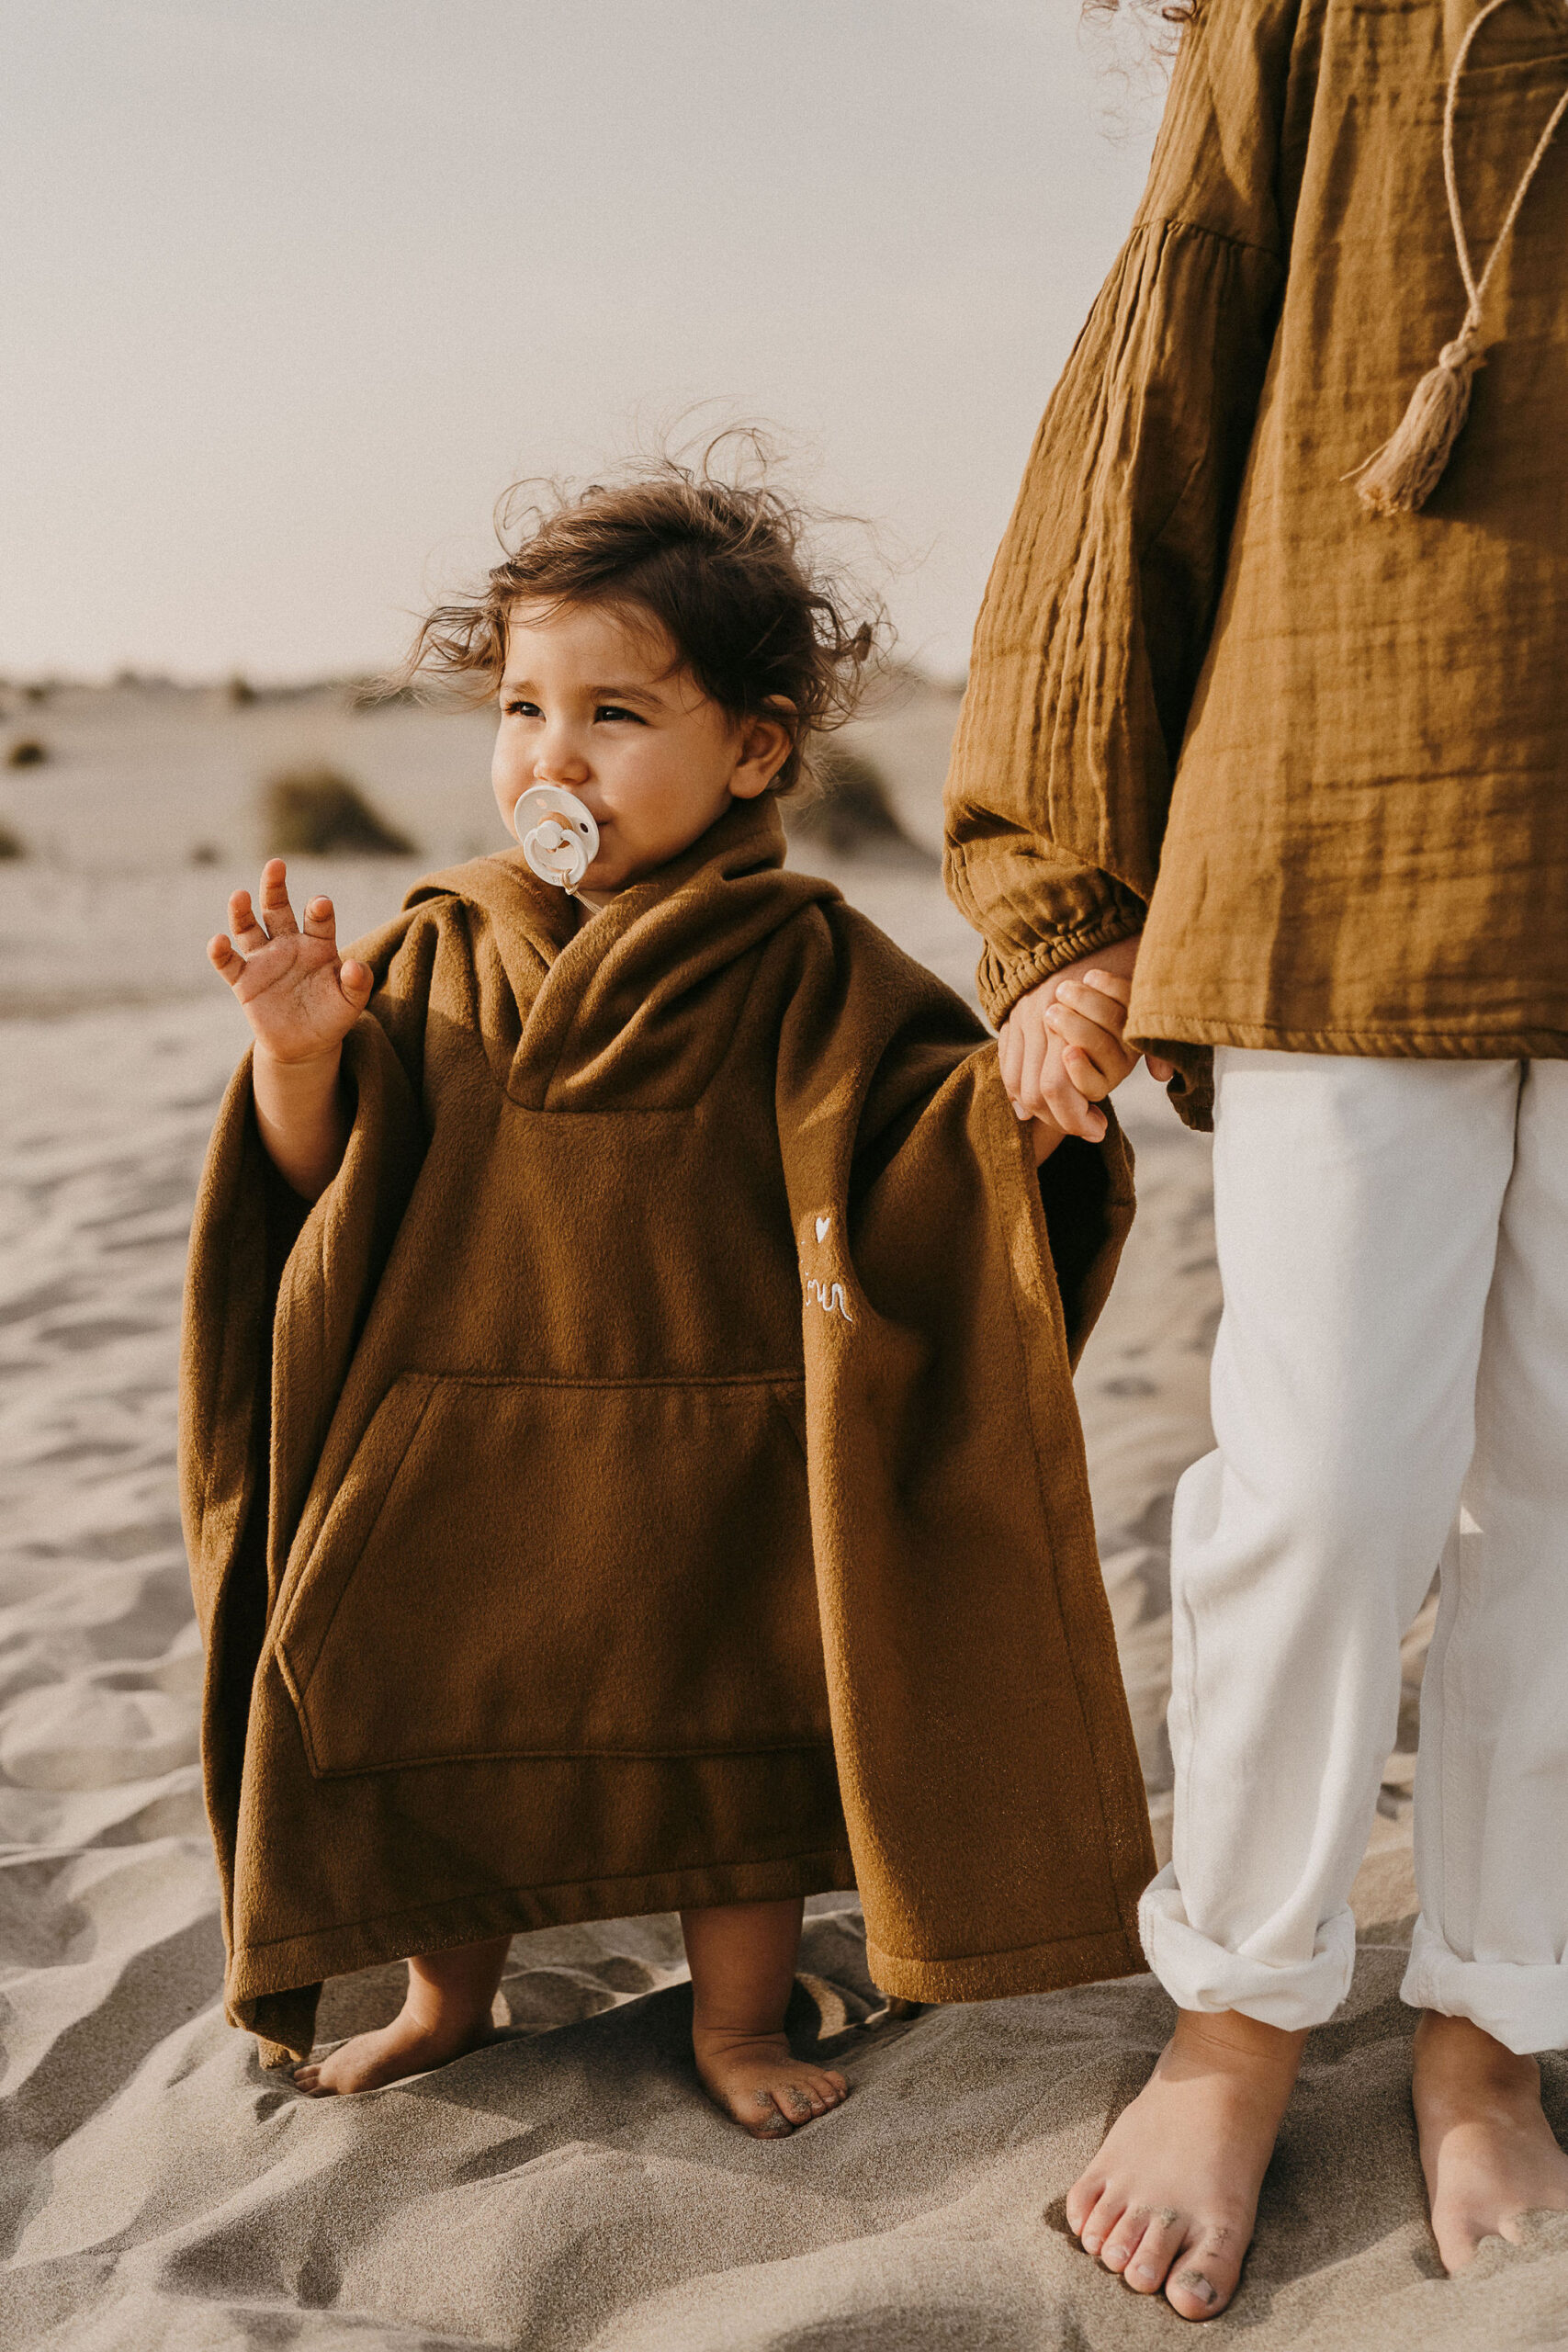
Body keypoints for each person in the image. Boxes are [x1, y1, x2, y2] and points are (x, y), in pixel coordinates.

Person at [181, 454, 1156, 2134]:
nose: (551, 759)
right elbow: (316, 1189)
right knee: (436, 1713)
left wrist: (1018, 1099)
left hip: (718, 1456)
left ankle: (735, 2024)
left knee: (736, 1748)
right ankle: (445, 1997)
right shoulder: (436, 947)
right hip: (462, 1444)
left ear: (755, 749)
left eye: (614, 715)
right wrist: (293, 1057)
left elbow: (915, 1140)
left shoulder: (806, 960)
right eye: (520, 709)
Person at [944, 0, 1568, 2317]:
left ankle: (1489, 2025)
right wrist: (1054, 888)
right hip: (1345, 830)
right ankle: (1230, 2013)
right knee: (1317, 1475)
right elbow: (1155, 382)